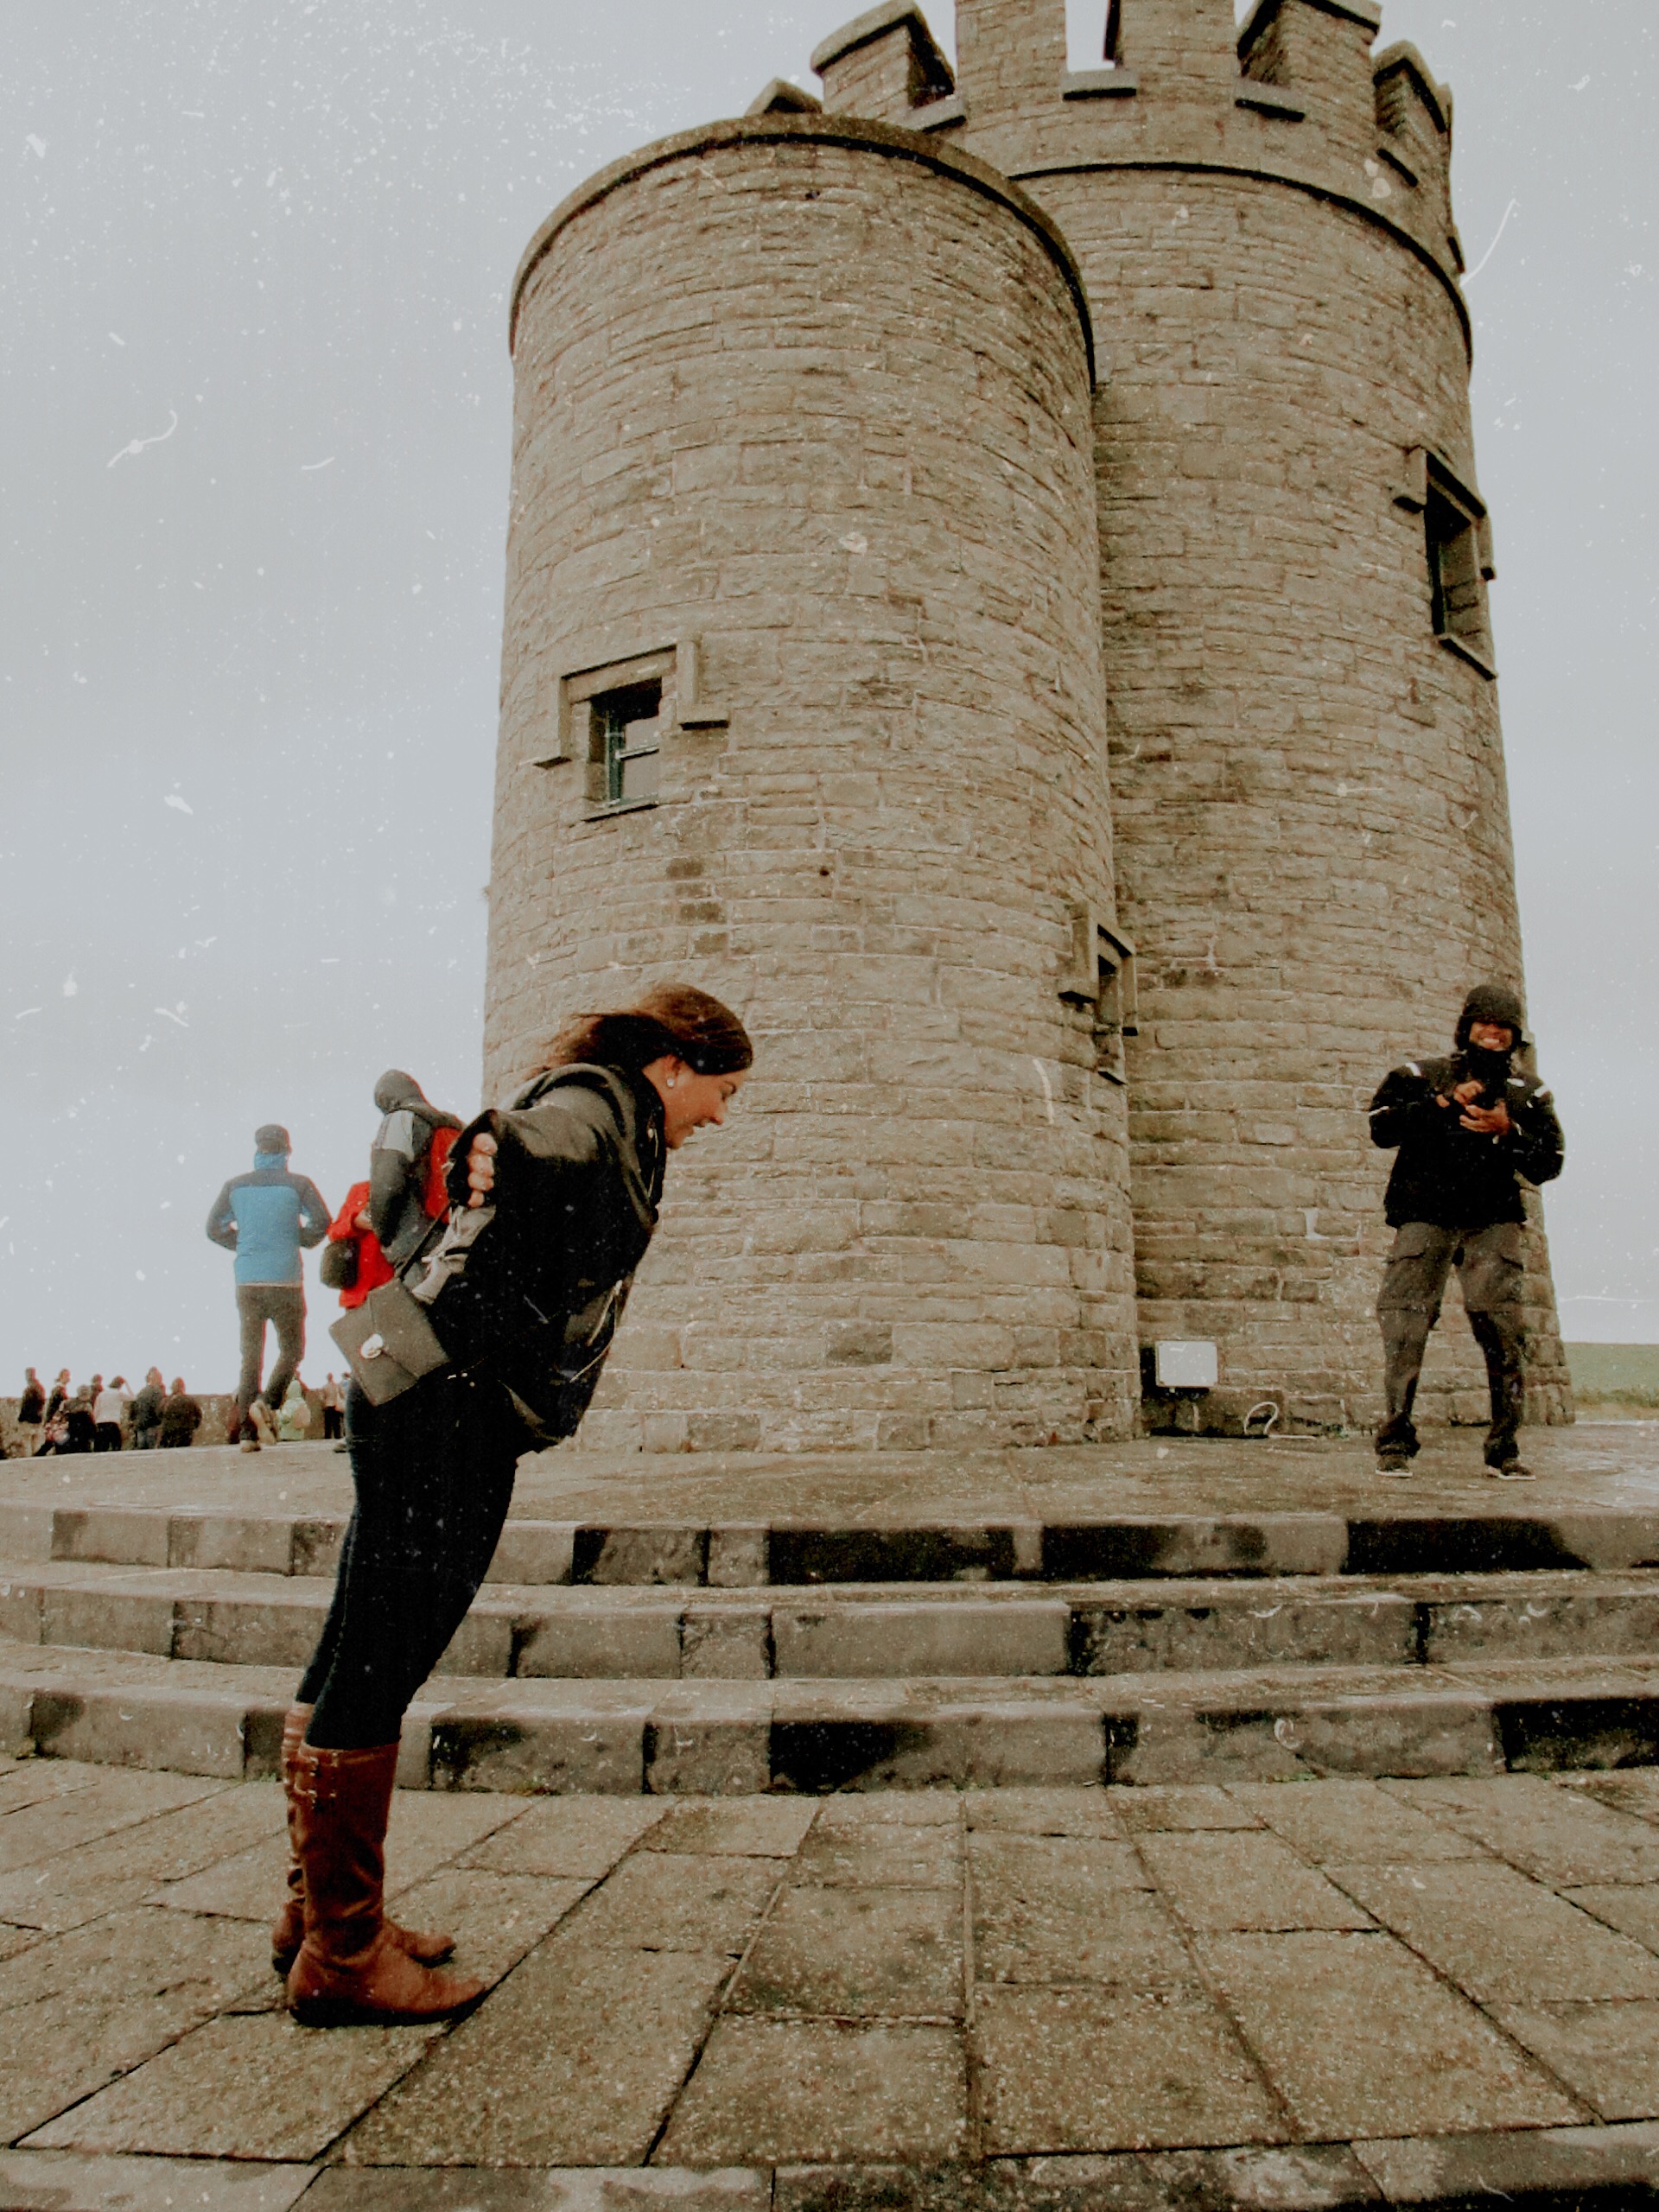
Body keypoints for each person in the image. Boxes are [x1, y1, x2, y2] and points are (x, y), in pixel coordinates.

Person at [278, 983, 752, 2028]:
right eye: (721, 1090)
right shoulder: (593, 1109)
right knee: (386, 1648)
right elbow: (534, 1141)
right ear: (674, 1065)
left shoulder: (615, 1113)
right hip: (446, 1410)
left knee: (359, 1637)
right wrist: (493, 1141)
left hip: (417, 1392)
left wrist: (503, 1140)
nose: (722, 1114)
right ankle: (344, 1955)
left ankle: (319, 1913)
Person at [1368, 982, 1565, 1481]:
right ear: (1467, 1026)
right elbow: (1380, 1128)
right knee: (1405, 1326)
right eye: (1485, 1024)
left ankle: (1505, 1449)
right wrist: (1440, 1104)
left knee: (1503, 1331)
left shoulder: (1530, 1093)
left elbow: (1549, 1163)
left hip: (1493, 1222)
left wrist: (1508, 1130)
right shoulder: (1419, 1075)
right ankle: (1395, 1443)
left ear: (1515, 1036)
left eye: (1505, 1028)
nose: (1493, 1034)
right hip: (1424, 1215)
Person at [206, 1124, 330, 1452]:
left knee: (250, 1357)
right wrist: (297, 1241)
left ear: (257, 1150)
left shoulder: (234, 1186)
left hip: (247, 1280)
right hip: (286, 1280)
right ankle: (267, 1402)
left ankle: (248, 1436)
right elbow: (322, 1222)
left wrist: (243, 1245)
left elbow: (213, 1228)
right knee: (292, 1349)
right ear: (287, 1152)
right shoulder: (299, 1184)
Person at [157, 1379, 203, 1450]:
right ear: (183, 1387)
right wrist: (193, 1426)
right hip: (186, 1432)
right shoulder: (190, 1400)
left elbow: (159, 1414)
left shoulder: (166, 1401)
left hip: (169, 1432)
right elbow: (198, 1416)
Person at [129, 1369, 166, 1451]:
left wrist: (133, 1421)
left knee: (141, 1449)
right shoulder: (157, 1392)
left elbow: (133, 1407)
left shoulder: (141, 1392)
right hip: (151, 1424)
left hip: (140, 1425)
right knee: (151, 1450)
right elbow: (159, 1408)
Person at [92, 1376, 132, 1452]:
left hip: (101, 1423)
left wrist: (95, 1423)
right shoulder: (118, 1394)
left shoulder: (101, 1394)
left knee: (101, 1448)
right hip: (113, 1422)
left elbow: (96, 1410)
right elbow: (133, 1398)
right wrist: (127, 1384)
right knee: (116, 1446)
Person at [16, 1370, 45, 1453]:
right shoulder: (40, 1388)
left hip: (29, 1419)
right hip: (37, 1418)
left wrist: (21, 1418)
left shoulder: (30, 1389)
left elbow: (26, 1405)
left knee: (27, 1441)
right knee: (35, 1442)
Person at [277, 1377, 312, 1443]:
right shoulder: (302, 1402)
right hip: (299, 1435)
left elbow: (286, 1417)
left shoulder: (289, 1403)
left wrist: (278, 1413)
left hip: (287, 1434)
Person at [320, 1373, 346, 1443]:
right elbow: (343, 1394)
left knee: (328, 1423)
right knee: (337, 1422)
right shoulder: (338, 1385)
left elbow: (321, 1398)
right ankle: (337, 1435)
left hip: (328, 1405)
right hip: (336, 1405)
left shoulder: (324, 1386)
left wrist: (323, 1404)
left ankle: (327, 1436)